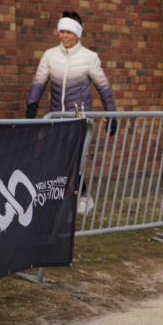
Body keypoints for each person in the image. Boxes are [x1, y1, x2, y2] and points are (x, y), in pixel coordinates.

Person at [26, 11, 117, 214]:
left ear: (77, 34)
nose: (64, 36)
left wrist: (111, 115)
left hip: (79, 120)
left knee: (75, 159)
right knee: (58, 158)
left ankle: (83, 196)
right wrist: (32, 104)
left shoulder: (89, 57)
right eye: (62, 31)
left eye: (69, 32)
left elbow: (103, 88)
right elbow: (39, 81)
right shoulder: (50, 55)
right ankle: (69, 197)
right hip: (56, 118)